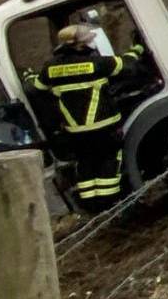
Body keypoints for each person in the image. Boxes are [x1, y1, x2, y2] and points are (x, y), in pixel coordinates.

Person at [23, 24, 150, 212]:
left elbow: (36, 88)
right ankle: (113, 207)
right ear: (80, 44)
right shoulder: (96, 63)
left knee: (86, 166)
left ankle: (93, 208)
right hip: (104, 129)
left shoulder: (51, 68)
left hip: (76, 134)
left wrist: (29, 76)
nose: (92, 42)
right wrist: (137, 48)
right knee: (108, 165)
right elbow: (127, 64)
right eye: (89, 39)